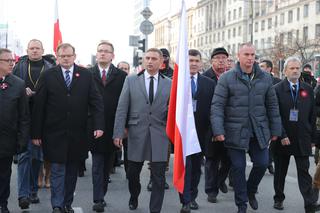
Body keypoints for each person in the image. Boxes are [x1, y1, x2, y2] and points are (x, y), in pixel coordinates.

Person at [31, 43, 104, 213]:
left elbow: (96, 102)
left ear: (74, 56)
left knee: (71, 172)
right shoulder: (48, 75)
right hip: (53, 133)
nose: (65, 59)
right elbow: (39, 106)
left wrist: (99, 125)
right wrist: (36, 133)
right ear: (57, 57)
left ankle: (67, 203)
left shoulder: (85, 75)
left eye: (68, 56)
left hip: (78, 133)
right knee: (57, 170)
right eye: (62, 56)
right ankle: (57, 205)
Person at [211, 43, 282, 213]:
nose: (250, 58)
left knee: (262, 163)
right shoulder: (227, 78)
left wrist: (275, 130)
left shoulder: (265, 78)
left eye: (252, 55)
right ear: (238, 56)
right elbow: (217, 106)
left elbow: (272, 106)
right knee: (238, 168)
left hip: (259, 131)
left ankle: (251, 191)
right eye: (246, 54)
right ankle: (241, 204)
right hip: (235, 131)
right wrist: (218, 130)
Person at [113, 48, 171, 213]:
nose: (150, 61)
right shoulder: (131, 81)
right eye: (147, 58)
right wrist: (118, 133)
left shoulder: (169, 83)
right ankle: (134, 195)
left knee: (159, 177)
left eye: (154, 58)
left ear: (161, 63)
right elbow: (122, 108)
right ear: (143, 61)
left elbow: (173, 111)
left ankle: (155, 210)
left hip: (160, 133)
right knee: (132, 173)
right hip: (136, 133)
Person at [272, 57, 320, 212]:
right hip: (282, 138)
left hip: (302, 137)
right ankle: (278, 198)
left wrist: (313, 137)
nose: (295, 71)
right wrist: (282, 135)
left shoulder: (307, 88)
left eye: (297, 68)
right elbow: (275, 115)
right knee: (280, 171)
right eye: (292, 68)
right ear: (285, 70)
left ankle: (310, 203)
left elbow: (312, 116)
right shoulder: (277, 89)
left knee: (304, 172)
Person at [13, 39, 55, 209]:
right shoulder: (19, 66)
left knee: (37, 157)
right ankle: (23, 195)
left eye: (38, 48)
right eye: (32, 48)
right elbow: (11, 86)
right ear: (27, 50)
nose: (35, 51)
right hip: (23, 118)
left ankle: (32, 191)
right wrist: (21, 92)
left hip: (43, 119)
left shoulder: (51, 68)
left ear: (43, 50)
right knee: (24, 156)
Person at [89, 41, 127, 212]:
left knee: (107, 165)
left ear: (113, 55)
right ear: (96, 54)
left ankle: (102, 192)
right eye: (100, 51)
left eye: (106, 51)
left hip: (113, 126)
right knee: (97, 163)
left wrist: (124, 127)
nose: (102, 54)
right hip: (93, 125)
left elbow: (126, 103)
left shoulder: (121, 76)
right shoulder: (87, 74)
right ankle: (98, 198)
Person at [179, 49, 216, 213]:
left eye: (196, 61)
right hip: (182, 133)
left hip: (202, 133)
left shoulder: (209, 83)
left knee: (195, 168)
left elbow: (214, 109)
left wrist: (214, 131)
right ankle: (185, 200)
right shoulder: (177, 82)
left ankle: (192, 196)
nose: (193, 64)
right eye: (190, 60)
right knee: (185, 168)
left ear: (201, 63)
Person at [0, 48, 29, 213]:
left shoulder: (18, 84)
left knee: (4, 175)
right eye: (7, 60)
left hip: (6, 139)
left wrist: (22, 140)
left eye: (13, 60)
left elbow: (24, 116)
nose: (12, 63)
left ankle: (2, 204)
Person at [203, 47, 231, 203]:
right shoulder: (206, 78)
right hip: (210, 126)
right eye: (218, 57)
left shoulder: (231, 77)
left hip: (229, 125)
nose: (221, 60)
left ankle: (220, 180)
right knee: (212, 160)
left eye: (224, 58)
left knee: (229, 159)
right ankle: (211, 191)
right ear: (212, 60)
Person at [147, 48, 172, 191]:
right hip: (150, 117)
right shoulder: (152, 71)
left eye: (166, 57)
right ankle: (153, 177)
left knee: (164, 151)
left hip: (164, 119)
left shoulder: (172, 74)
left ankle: (160, 175)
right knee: (152, 151)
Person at [259, 59, 281, 175]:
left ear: (269, 68)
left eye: (262, 66)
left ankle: (269, 162)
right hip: (260, 117)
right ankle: (266, 162)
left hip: (272, 117)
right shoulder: (256, 79)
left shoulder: (277, 82)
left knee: (271, 143)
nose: (260, 68)